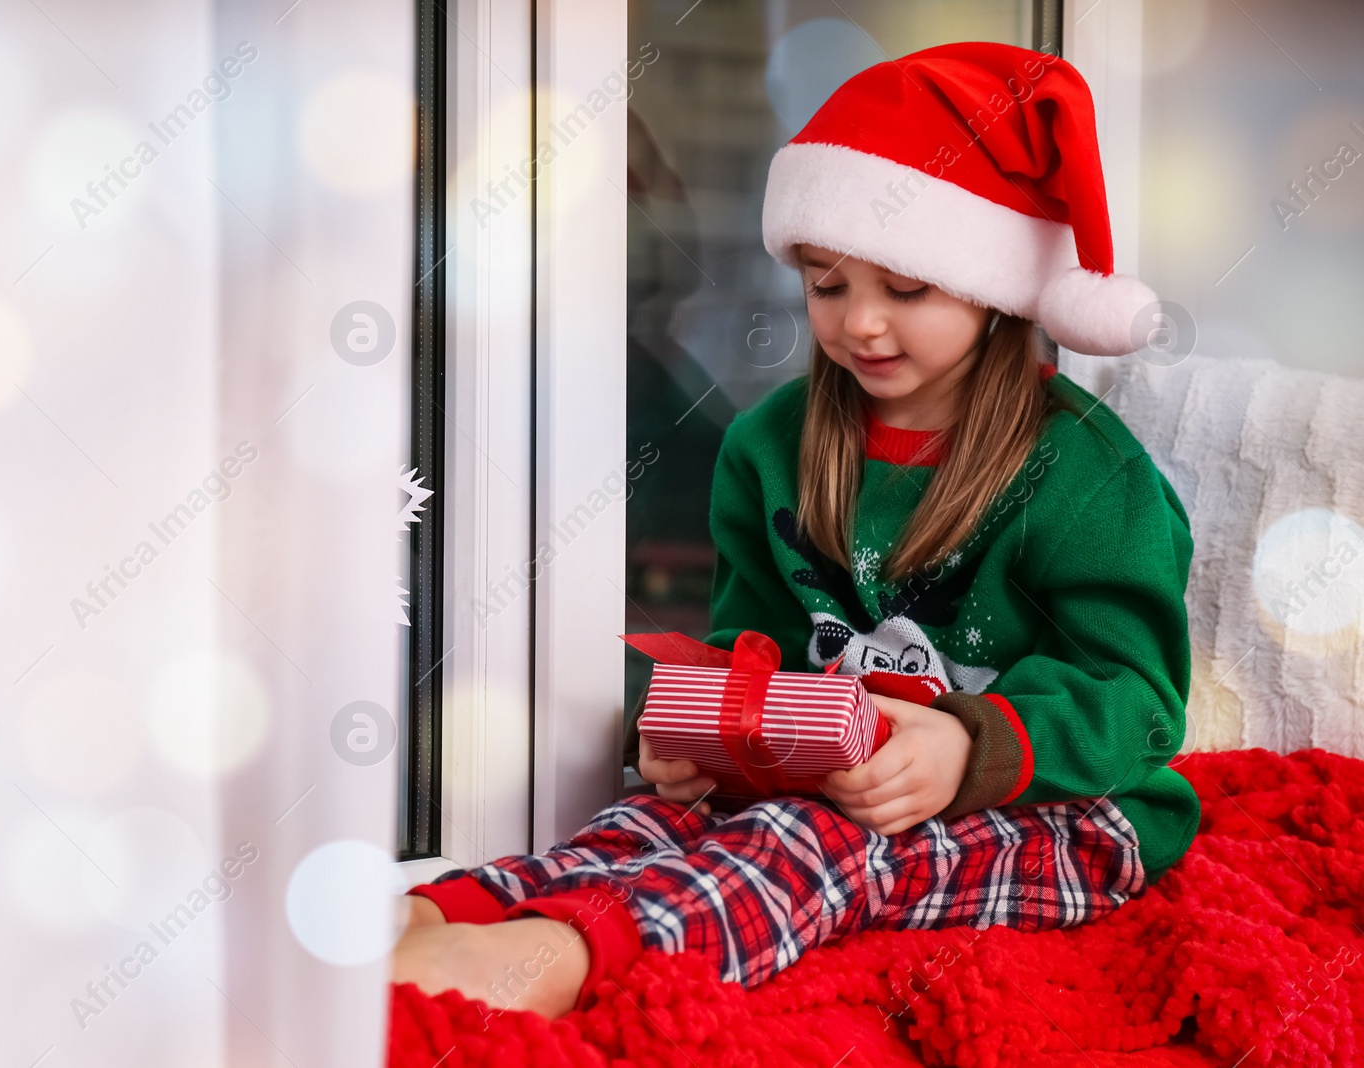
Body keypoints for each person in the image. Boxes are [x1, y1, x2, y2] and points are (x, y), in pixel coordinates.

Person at [390, 40, 1199, 1021]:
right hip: (830, 787)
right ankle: (440, 920)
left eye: (904, 290)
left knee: (805, 849)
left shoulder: (1084, 473)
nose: (859, 323)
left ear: (992, 290)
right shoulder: (773, 444)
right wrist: (698, 733)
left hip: (1060, 814)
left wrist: (965, 748)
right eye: (827, 284)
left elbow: (1140, 703)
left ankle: (562, 957)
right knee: (654, 814)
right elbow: (749, 646)